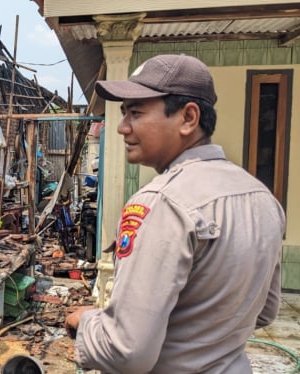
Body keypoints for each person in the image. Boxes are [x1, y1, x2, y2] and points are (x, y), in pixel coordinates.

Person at [65, 54, 286, 373]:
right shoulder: (262, 197)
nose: (122, 127)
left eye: (136, 113)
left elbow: (127, 351)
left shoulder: (163, 202)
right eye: (124, 113)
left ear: (188, 118)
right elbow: (264, 311)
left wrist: (86, 322)